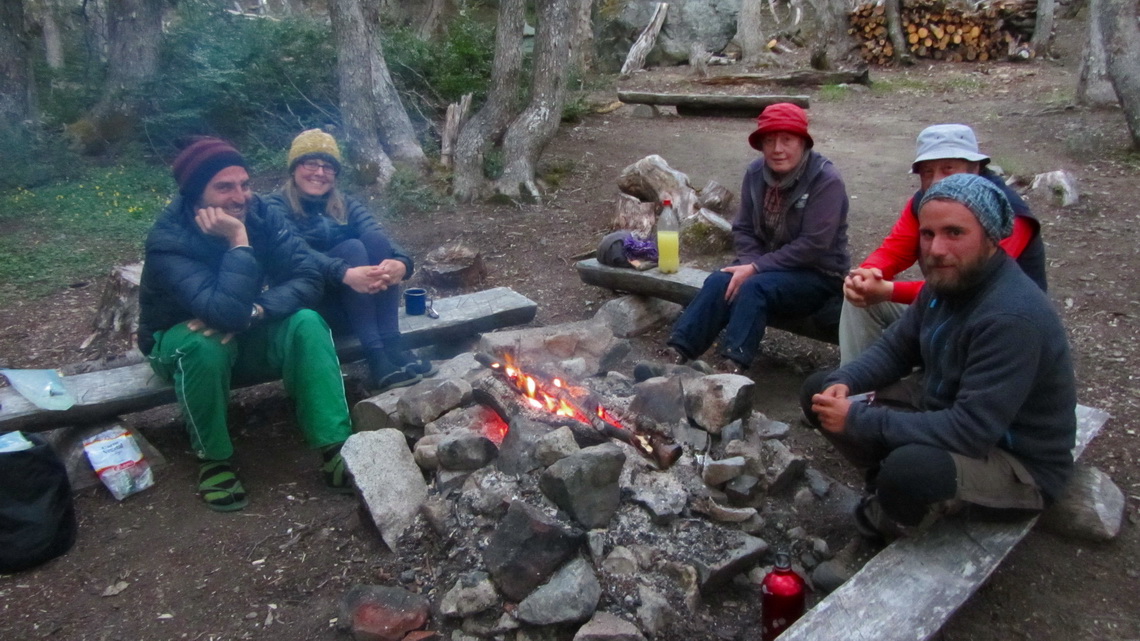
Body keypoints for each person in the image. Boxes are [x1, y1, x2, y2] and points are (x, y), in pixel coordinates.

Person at [801, 173, 1076, 540]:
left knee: (912, 470)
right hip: (944, 407)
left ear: (991, 237)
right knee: (819, 391)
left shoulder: (1011, 317)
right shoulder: (949, 280)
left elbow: (970, 431)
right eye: (928, 234)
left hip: (1017, 459)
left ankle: (883, 520)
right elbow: (897, 348)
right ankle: (889, 483)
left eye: (955, 233)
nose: (936, 249)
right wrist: (844, 381)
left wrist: (861, 420)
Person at [138, 137, 355, 512]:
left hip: (242, 325)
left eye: (244, 184)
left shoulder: (259, 213)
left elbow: (307, 277)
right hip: (177, 342)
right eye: (224, 187)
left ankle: (335, 446)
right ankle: (214, 460)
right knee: (204, 344)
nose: (239, 197)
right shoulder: (168, 239)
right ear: (194, 193)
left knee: (306, 322)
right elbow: (220, 314)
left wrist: (256, 311)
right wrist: (238, 242)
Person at [839, 124, 1046, 364]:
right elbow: (895, 249)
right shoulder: (926, 202)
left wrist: (889, 291)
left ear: (975, 168)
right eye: (927, 172)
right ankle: (854, 389)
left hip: (996, 323)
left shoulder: (1007, 213)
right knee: (861, 299)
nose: (936, 180)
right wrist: (867, 274)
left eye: (948, 169)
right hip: (942, 309)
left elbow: (969, 286)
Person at [667, 102, 850, 372]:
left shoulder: (825, 180)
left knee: (754, 287)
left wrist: (755, 268)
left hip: (818, 275)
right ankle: (676, 353)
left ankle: (733, 365)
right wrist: (750, 263)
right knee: (720, 280)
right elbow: (743, 228)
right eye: (770, 140)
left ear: (802, 143)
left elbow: (814, 245)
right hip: (767, 268)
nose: (778, 149)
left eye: (787, 140)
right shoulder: (755, 174)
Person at [265, 129, 435, 393]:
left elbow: (379, 237)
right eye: (311, 163)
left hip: (356, 307)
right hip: (309, 311)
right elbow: (295, 252)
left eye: (328, 167)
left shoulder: (345, 203)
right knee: (353, 248)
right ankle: (376, 357)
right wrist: (344, 273)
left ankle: (393, 346)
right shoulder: (273, 207)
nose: (319, 172)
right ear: (294, 168)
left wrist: (401, 263)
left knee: (375, 243)